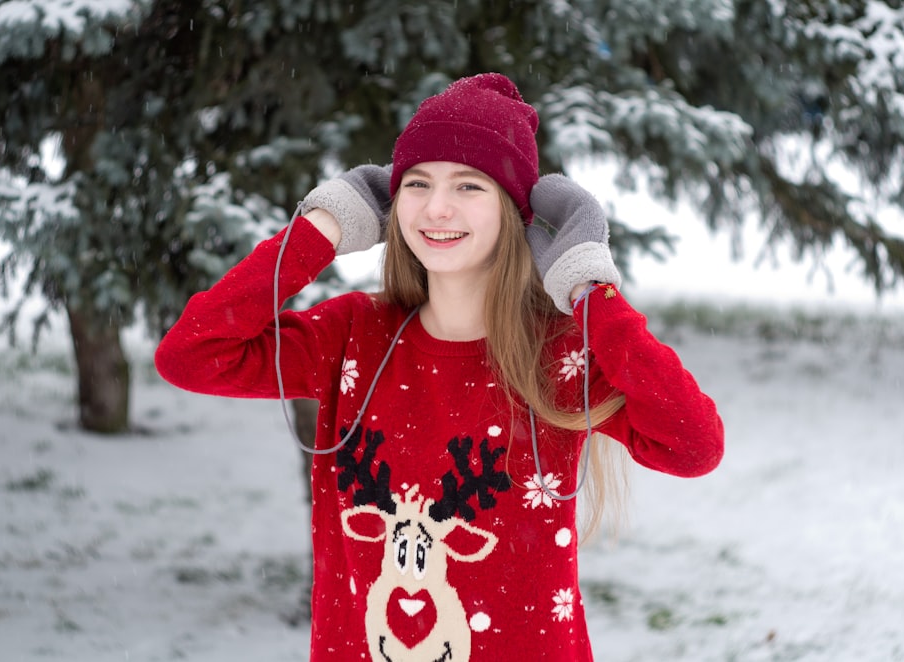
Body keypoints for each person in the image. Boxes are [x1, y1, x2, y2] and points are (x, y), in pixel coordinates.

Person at [155, 72, 723, 661]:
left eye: (469, 186)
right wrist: (321, 229)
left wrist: (588, 289)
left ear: (514, 210)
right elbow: (189, 355)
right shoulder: (353, 336)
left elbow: (694, 445)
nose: (436, 207)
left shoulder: (558, 355)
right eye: (417, 183)